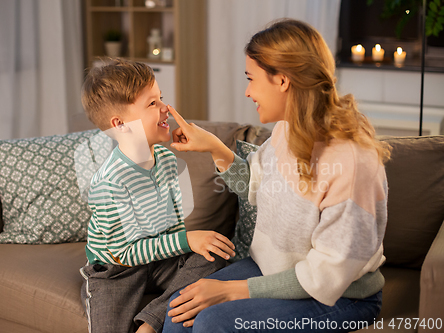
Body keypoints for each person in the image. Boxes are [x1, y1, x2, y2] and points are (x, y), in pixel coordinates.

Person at [163, 19, 392, 332]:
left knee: (212, 323)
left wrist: (232, 291)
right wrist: (215, 148)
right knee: (179, 311)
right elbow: (255, 187)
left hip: (340, 297)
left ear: (282, 80)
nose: (247, 92)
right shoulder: (286, 131)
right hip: (272, 272)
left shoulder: (352, 163)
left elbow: (327, 275)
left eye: (251, 79)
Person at [79, 58, 235, 333]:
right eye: (153, 103)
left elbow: (173, 223)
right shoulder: (109, 183)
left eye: (161, 98)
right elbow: (121, 253)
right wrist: (186, 239)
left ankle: (152, 320)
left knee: (213, 256)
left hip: (159, 260)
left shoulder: (165, 158)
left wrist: (187, 244)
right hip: (117, 268)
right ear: (121, 124)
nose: (167, 109)